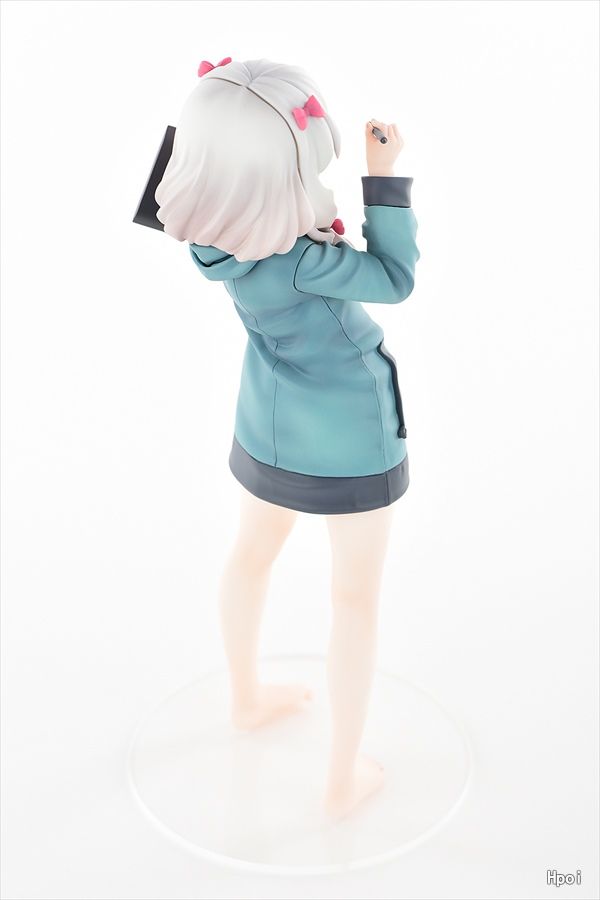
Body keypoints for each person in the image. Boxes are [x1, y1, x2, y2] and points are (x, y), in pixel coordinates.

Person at [154, 57, 421, 819]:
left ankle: (244, 698)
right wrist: (382, 177)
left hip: (267, 421)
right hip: (348, 436)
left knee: (251, 555)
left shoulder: (213, 239)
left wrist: (218, 127)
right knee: (355, 600)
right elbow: (395, 278)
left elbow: (199, 171)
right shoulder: (304, 260)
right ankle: (340, 780)